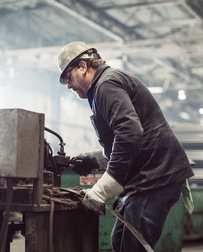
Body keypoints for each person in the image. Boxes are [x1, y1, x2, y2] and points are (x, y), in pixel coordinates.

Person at [57, 41, 194, 252]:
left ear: (83, 66)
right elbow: (129, 139)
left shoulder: (106, 85)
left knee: (131, 248)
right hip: (147, 177)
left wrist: (103, 189)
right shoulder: (103, 87)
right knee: (119, 242)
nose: (68, 85)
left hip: (153, 179)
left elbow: (130, 133)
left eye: (68, 77)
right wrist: (95, 158)